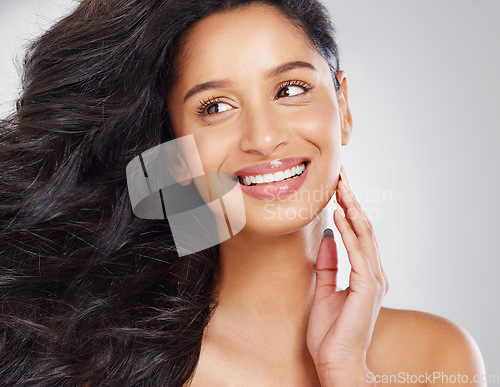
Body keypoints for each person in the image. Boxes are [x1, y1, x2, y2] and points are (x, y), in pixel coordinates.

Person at [0, 0, 486, 385]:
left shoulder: (438, 358)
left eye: (291, 89)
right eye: (215, 106)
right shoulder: (102, 365)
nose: (263, 137)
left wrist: (345, 374)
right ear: (172, 146)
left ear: (344, 105)